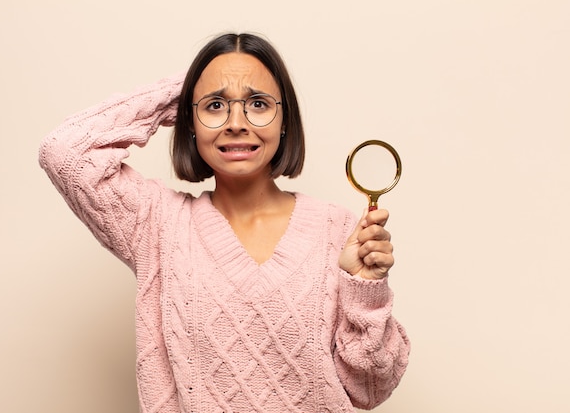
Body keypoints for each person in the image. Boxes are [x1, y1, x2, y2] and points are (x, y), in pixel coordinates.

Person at [39, 32, 410, 412]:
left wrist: (365, 293)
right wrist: (187, 88)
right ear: (190, 122)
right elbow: (65, 150)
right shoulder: (158, 225)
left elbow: (369, 389)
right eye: (216, 106)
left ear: (285, 120)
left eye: (259, 103)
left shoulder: (338, 229)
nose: (236, 122)